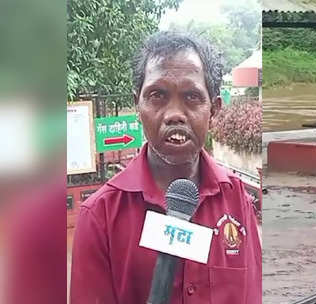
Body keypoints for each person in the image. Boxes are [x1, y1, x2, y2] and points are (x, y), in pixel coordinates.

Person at [70, 32, 261, 304]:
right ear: (139, 105)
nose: (174, 114)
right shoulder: (100, 216)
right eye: (157, 95)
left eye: (192, 96)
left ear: (214, 109)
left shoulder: (238, 200)